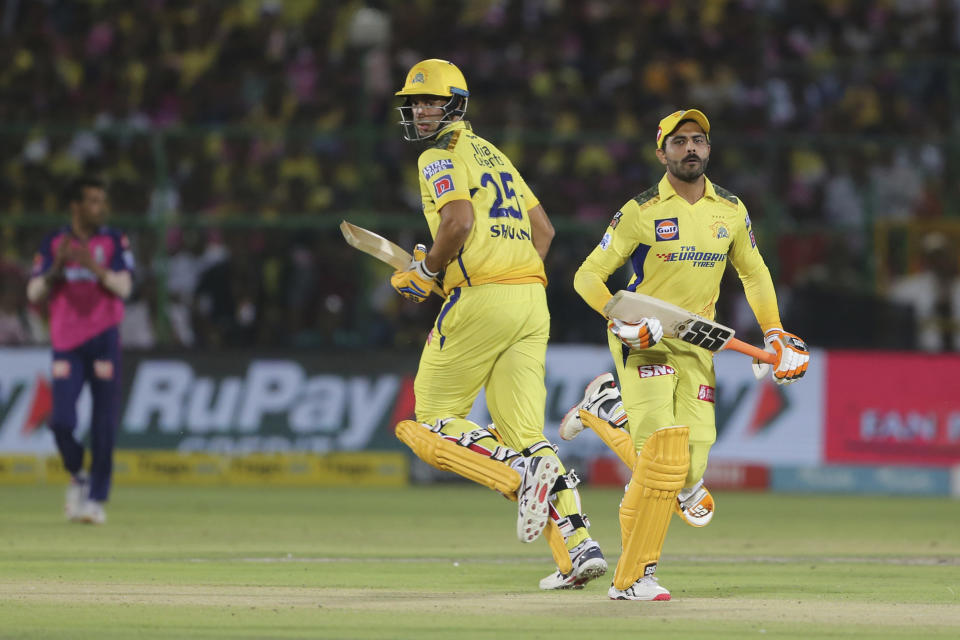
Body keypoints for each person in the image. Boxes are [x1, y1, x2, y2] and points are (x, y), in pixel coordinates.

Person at [560, 109, 809, 601]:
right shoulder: (640, 210)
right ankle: (636, 578)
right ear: (662, 153)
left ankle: (601, 409)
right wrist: (621, 320)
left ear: (709, 150)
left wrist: (774, 332)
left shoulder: (731, 210)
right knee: (660, 459)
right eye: (679, 142)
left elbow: (754, 274)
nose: (690, 148)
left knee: (691, 465)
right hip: (643, 339)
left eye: (698, 140)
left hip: (700, 340)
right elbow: (586, 277)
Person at [389, 59, 606, 590]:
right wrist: (489, 266)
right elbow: (545, 231)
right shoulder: (496, 155)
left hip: (483, 299)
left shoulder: (440, 157)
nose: (421, 111)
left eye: (432, 101)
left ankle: (515, 471)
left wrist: (428, 271)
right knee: (528, 433)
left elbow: (458, 221)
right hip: (531, 298)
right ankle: (580, 547)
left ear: (455, 105)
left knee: (431, 418)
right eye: (415, 102)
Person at [26, 176, 134, 524]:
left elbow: (124, 287)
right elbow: (33, 293)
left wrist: (94, 267)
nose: (100, 207)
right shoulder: (54, 241)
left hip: (104, 339)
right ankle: (78, 474)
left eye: (102, 200)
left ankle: (95, 500)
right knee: (60, 421)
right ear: (76, 206)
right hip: (67, 342)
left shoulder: (114, 239)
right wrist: (57, 268)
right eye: (93, 201)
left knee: (103, 425)